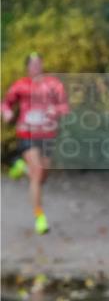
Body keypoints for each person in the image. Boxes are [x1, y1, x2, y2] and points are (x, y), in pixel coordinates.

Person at [1, 53, 69, 234]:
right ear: (27, 68)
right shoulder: (20, 85)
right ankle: (40, 217)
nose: (36, 67)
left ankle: (21, 166)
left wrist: (54, 110)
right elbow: (5, 104)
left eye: (39, 63)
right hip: (27, 133)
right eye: (33, 64)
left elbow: (65, 107)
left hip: (47, 135)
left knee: (43, 175)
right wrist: (6, 113)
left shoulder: (54, 85)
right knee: (37, 173)